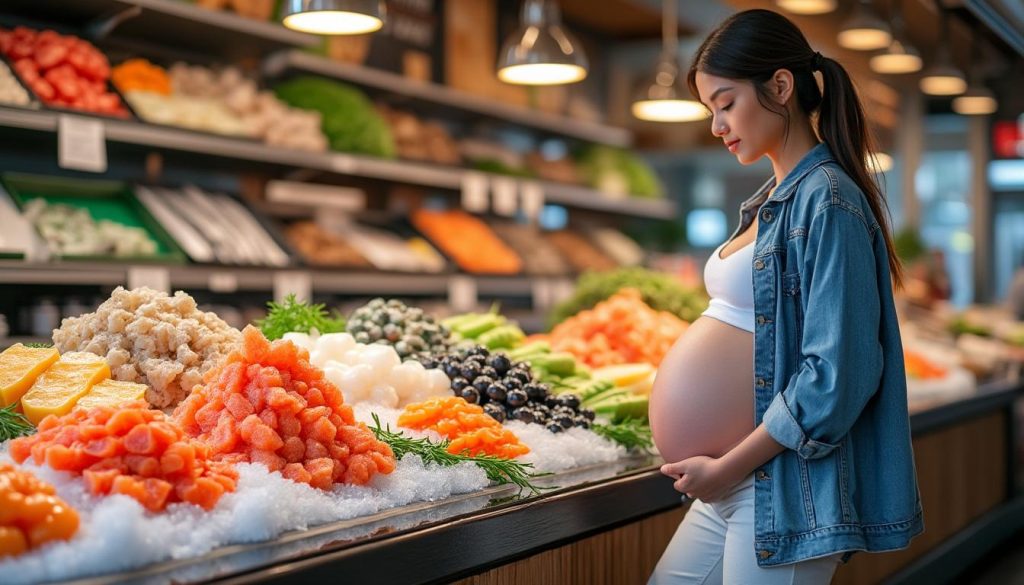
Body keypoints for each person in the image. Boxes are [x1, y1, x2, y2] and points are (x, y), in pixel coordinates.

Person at [648, 9, 923, 585]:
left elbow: (838, 374)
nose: (717, 126)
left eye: (726, 104)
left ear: (779, 86)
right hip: (737, 483)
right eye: (709, 111)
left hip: (782, 487)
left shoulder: (829, 201)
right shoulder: (773, 197)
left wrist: (727, 468)